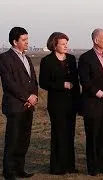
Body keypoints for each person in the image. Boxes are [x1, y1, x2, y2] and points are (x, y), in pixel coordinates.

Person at [78, 28, 103, 176]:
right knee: (93, 135)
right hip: (93, 102)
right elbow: (86, 82)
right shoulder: (85, 58)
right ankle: (93, 167)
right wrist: (102, 94)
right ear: (96, 41)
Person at [39, 32, 80, 175]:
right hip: (57, 104)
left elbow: (76, 82)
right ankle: (57, 167)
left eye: (66, 43)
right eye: (63, 44)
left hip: (71, 103)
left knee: (70, 134)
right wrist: (61, 85)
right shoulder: (47, 61)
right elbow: (43, 83)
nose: (66, 46)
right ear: (54, 45)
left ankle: (70, 165)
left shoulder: (71, 59)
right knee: (59, 134)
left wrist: (78, 102)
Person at [0, 27, 38, 179]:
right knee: (13, 139)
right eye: (24, 40)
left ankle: (19, 169)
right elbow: (9, 83)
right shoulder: (5, 58)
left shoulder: (27, 58)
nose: (27, 42)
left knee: (24, 139)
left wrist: (34, 95)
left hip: (28, 106)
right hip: (15, 106)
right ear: (15, 41)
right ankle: (9, 171)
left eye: (27, 39)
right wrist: (26, 97)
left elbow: (33, 80)